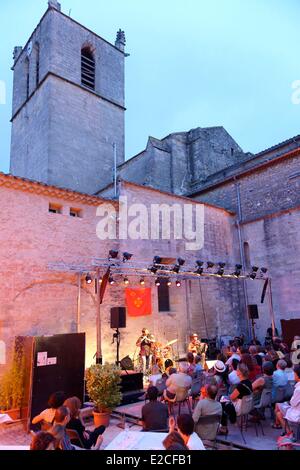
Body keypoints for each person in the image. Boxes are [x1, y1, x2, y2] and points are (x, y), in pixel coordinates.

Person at [219, 363, 253, 435]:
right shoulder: (249, 382)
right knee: (223, 400)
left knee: (221, 403)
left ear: (239, 372)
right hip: (247, 407)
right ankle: (230, 421)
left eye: (237, 370)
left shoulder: (241, 386)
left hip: (239, 408)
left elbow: (231, 397)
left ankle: (224, 427)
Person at [274, 365, 300, 432]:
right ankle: (287, 431)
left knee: (278, 408)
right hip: (296, 410)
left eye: (294, 374)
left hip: (297, 413)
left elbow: (293, 403)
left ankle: (289, 432)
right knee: (279, 409)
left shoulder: (298, 389)